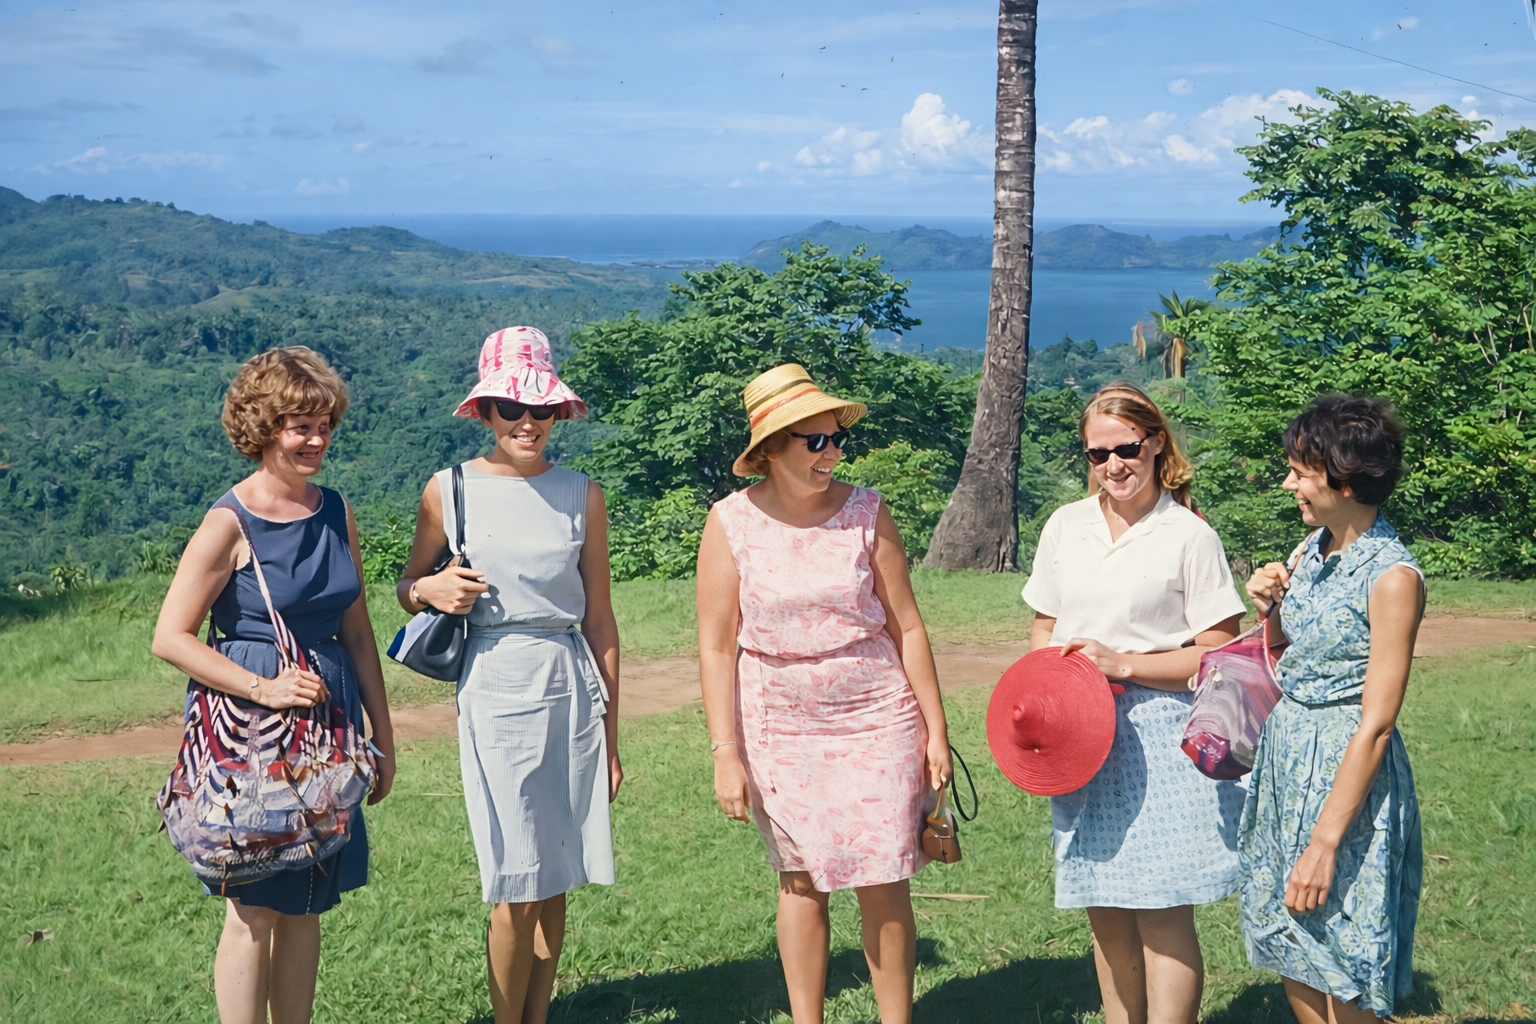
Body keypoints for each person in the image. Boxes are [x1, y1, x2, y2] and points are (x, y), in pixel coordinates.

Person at [696, 363, 952, 1024]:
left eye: (837, 438)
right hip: (778, 726)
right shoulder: (729, 524)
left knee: (883, 877)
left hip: (877, 717)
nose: (833, 452)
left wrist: (937, 731)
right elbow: (717, 644)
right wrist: (725, 750)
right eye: (816, 441)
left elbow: (909, 624)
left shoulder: (868, 510)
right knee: (801, 877)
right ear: (770, 451)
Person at [151, 346, 396, 1024]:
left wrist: (383, 733)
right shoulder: (229, 522)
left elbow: (358, 630)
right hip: (253, 734)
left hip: (330, 724)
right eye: (298, 425)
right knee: (253, 906)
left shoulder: (334, 509)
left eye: (323, 425)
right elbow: (170, 636)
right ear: (262, 427)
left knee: (309, 900)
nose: (316, 440)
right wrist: (261, 690)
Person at [396, 326, 621, 1024]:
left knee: (556, 867)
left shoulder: (582, 494)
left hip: (570, 682)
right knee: (516, 875)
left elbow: (602, 621)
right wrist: (428, 592)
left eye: (542, 410)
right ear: (485, 413)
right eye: (509, 408)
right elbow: (409, 582)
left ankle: (537, 1014)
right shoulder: (449, 490)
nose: (528, 422)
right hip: (494, 684)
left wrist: (612, 737)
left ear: (559, 413)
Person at [1021, 381, 1245, 1024]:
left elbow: (1216, 652)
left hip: (1157, 732)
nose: (1113, 465)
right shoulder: (1066, 526)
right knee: (1105, 905)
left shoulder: (1186, 534)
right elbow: (1044, 626)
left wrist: (1126, 665)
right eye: (1098, 454)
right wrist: (1049, 688)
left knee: (1162, 910)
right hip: (1077, 733)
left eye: (1126, 448)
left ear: (1156, 445)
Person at [1240, 395, 1424, 1022]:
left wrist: (1325, 842)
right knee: (1292, 943)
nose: (1288, 482)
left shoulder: (1393, 577)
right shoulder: (1309, 552)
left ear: (1344, 479)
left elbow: (1376, 722)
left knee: (1342, 960)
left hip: (1348, 779)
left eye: (1300, 471)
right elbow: (1292, 657)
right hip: (1288, 760)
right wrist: (1268, 609)